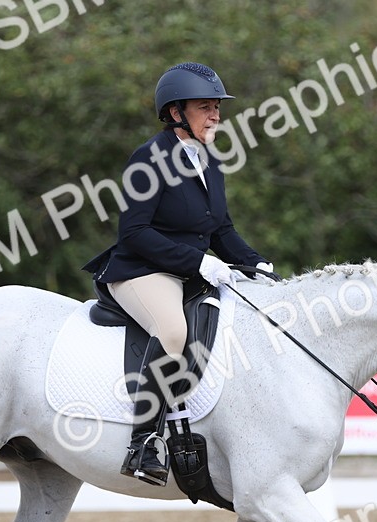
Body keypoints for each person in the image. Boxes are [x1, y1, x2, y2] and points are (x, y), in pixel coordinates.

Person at [83, 62, 272, 485]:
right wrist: (197, 262)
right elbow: (133, 233)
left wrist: (255, 262)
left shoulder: (210, 159)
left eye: (217, 108)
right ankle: (143, 441)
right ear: (175, 114)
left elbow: (220, 229)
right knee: (172, 331)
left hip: (188, 272)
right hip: (142, 270)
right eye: (205, 107)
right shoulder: (148, 159)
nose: (216, 116)